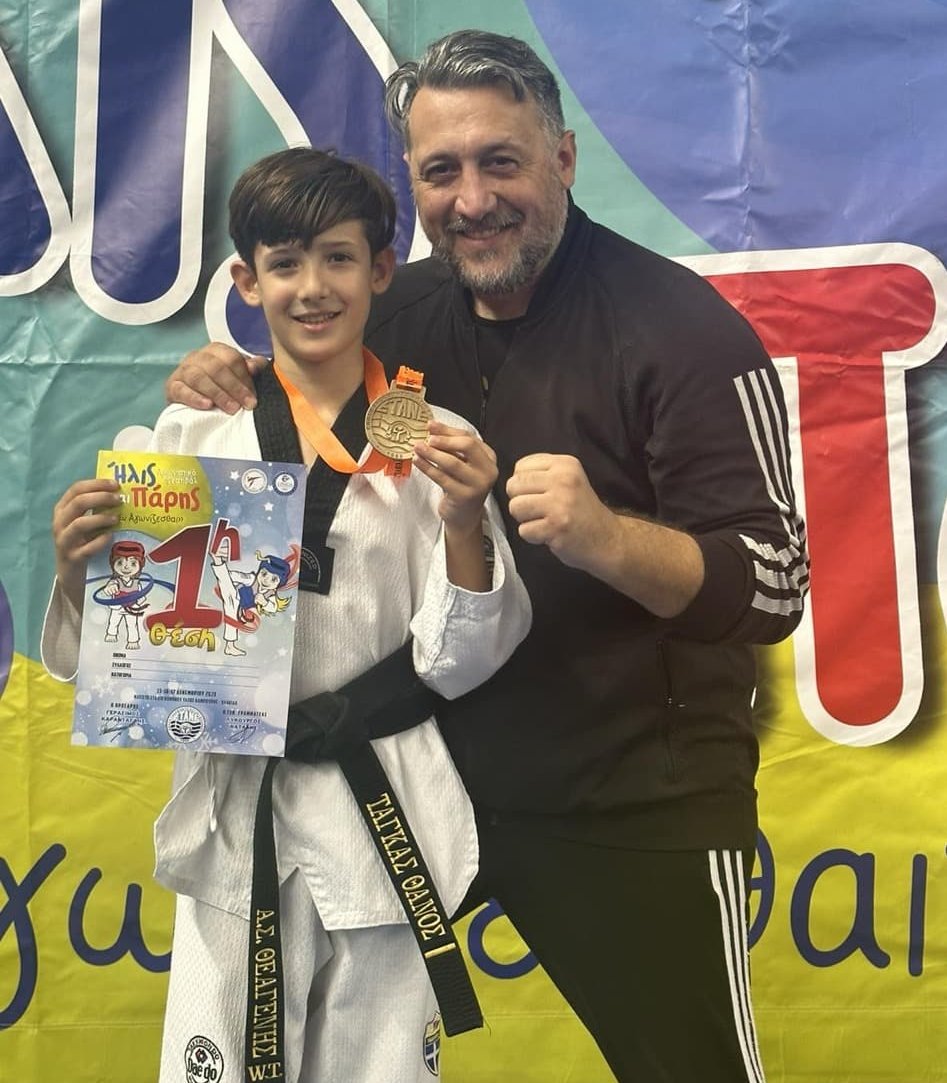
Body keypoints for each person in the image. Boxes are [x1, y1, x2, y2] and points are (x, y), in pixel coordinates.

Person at [165, 30, 809, 1083]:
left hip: (624, 795)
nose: (471, 200)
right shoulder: (397, 311)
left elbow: (773, 584)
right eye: (440, 171)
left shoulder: (680, 332)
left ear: (562, 157)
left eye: (499, 162)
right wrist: (226, 378)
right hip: (421, 778)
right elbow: (303, 392)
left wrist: (605, 538)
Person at [42, 146, 531, 1083]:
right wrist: (78, 568)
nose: (313, 287)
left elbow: (459, 659)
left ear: (379, 270)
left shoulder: (441, 442)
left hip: (383, 797)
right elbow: (120, 653)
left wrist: (466, 517)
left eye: (339, 258)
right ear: (246, 280)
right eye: (285, 263)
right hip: (238, 806)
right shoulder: (193, 431)